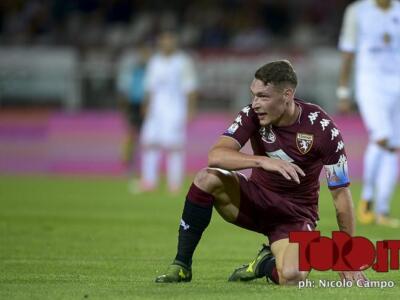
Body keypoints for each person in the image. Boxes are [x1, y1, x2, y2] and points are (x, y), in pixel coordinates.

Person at [155, 60, 367, 285]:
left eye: (263, 96)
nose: (255, 103)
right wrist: (261, 161)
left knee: (293, 276)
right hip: (254, 199)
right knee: (206, 178)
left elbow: (340, 193)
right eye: (253, 95)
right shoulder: (251, 115)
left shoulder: (323, 129)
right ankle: (182, 265)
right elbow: (216, 156)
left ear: (287, 94)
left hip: (295, 215)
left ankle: (264, 263)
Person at [337, 0, 400, 227]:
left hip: (398, 86)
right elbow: (347, 53)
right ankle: (367, 200)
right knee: (381, 137)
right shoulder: (357, 12)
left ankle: (382, 210)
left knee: (393, 145)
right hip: (370, 85)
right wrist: (343, 91)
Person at [137, 30, 198, 193]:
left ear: (175, 42)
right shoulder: (154, 61)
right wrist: (145, 104)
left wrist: (191, 109)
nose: (166, 43)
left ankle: (174, 183)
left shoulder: (183, 61)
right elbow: (149, 86)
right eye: (163, 40)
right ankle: (149, 181)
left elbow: (190, 88)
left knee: (174, 146)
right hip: (155, 110)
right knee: (149, 143)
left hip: (175, 109)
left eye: (169, 40)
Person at [116, 44, 151, 170]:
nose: (145, 57)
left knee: (145, 136)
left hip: (146, 106)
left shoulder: (152, 70)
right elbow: (124, 89)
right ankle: (127, 160)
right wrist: (125, 108)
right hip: (134, 105)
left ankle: (139, 165)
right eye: (144, 54)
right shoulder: (133, 70)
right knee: (131, 134)